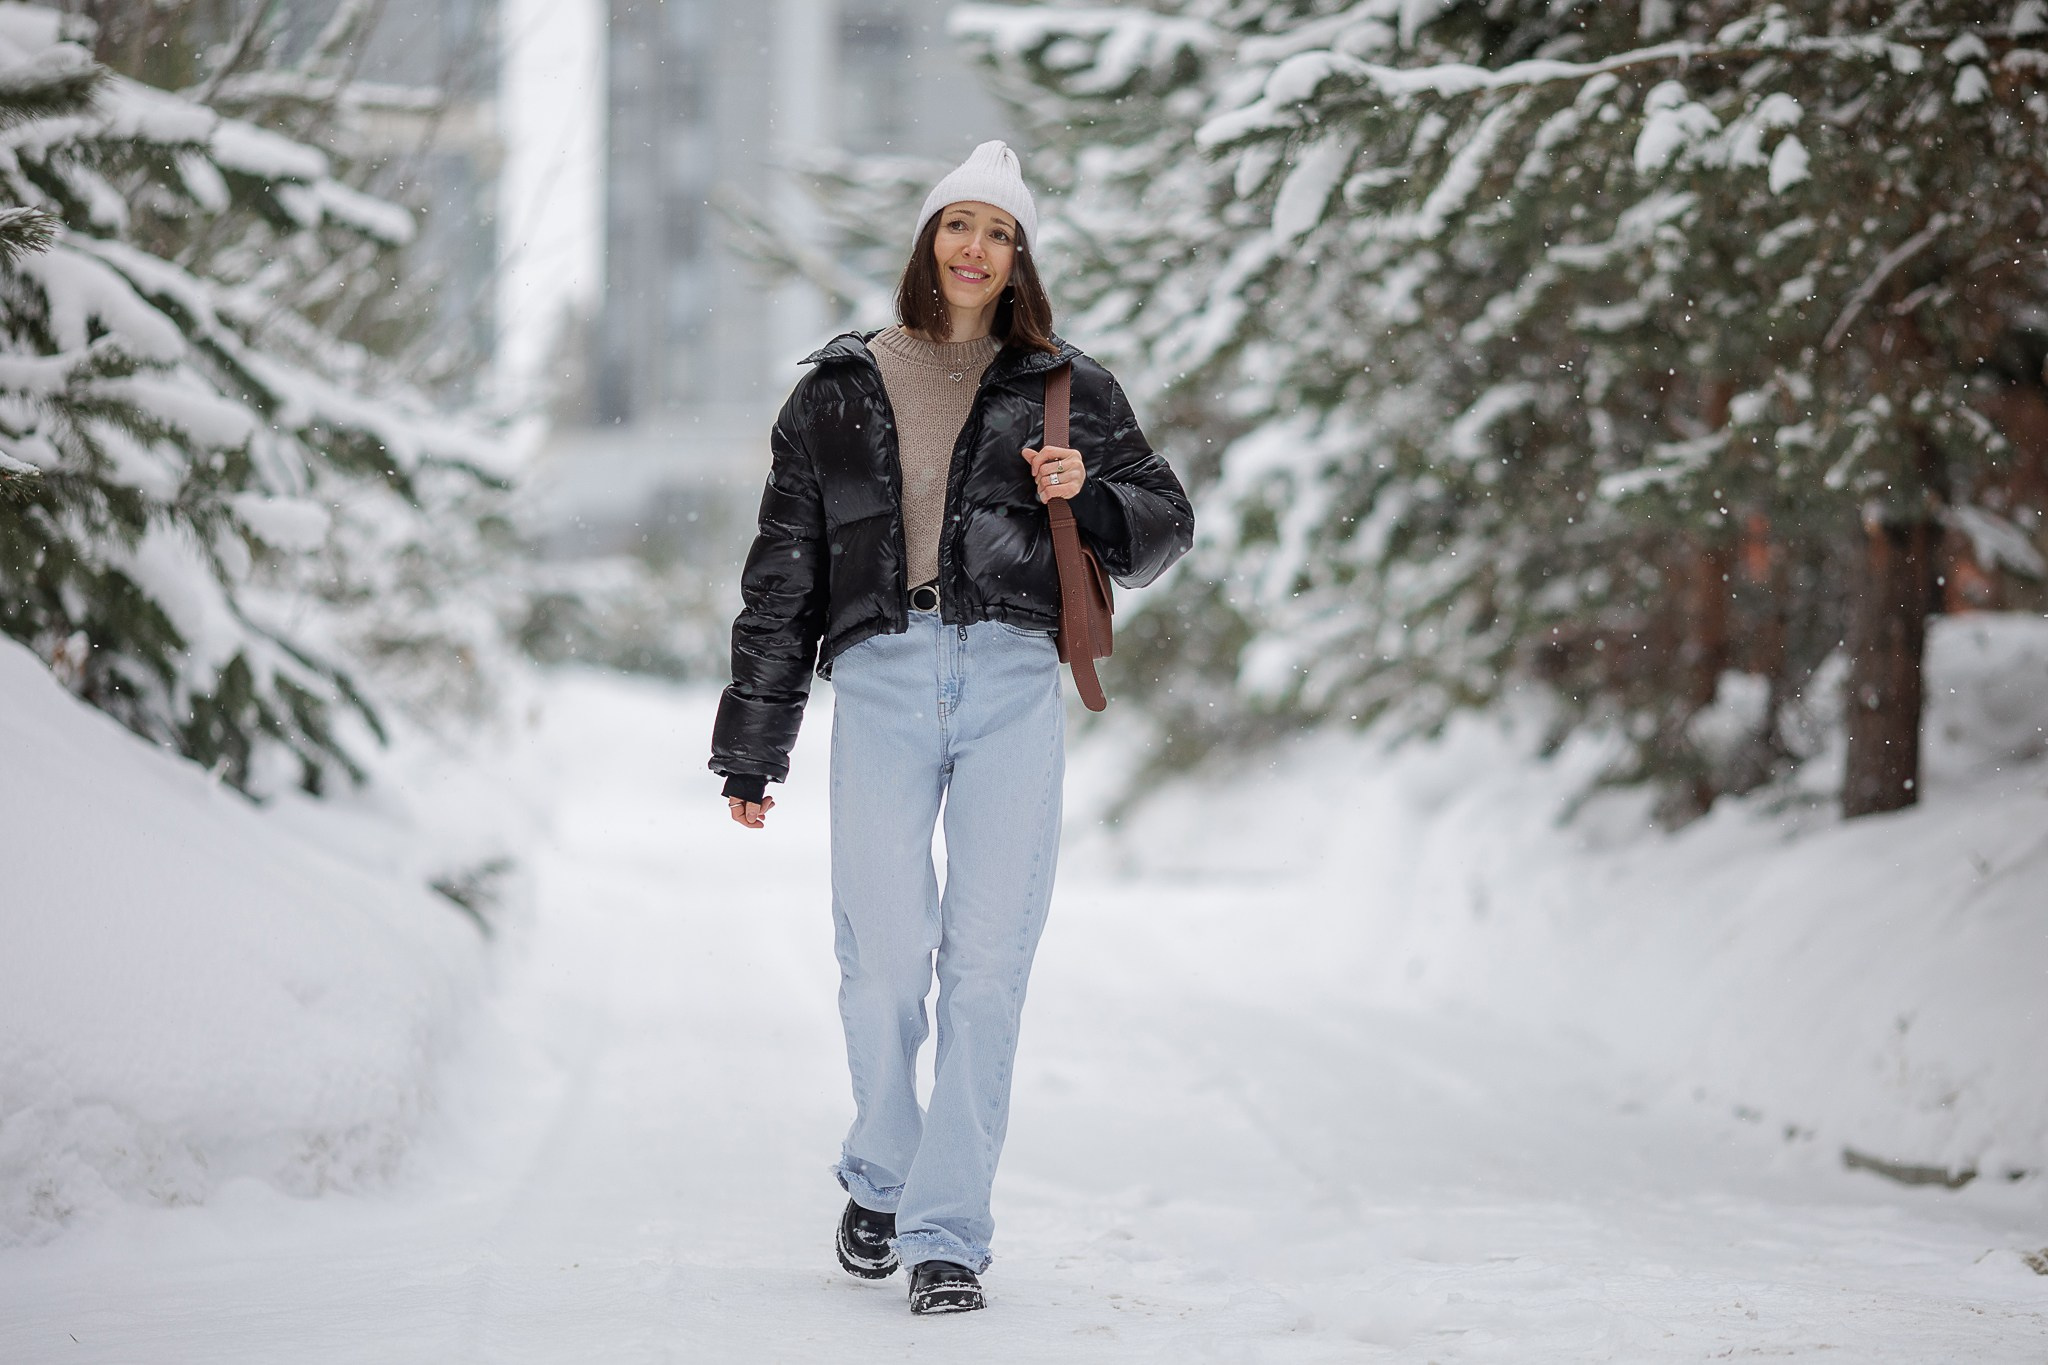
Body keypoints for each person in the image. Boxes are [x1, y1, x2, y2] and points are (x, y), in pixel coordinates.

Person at [708, 140, 1193, 1315]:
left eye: (1001, 233)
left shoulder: (1065, 383)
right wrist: (753, 743)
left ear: (1019, 258)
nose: (976, 249)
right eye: (958, 226)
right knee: (879, 963)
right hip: (880, 674)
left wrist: (1092, 492)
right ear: (928, 241)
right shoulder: (833, 391)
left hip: (1015, 680)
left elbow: (1165, 524)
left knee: (984, 970)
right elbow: (781, 578)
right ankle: (880, 1166)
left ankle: (945, 1232)